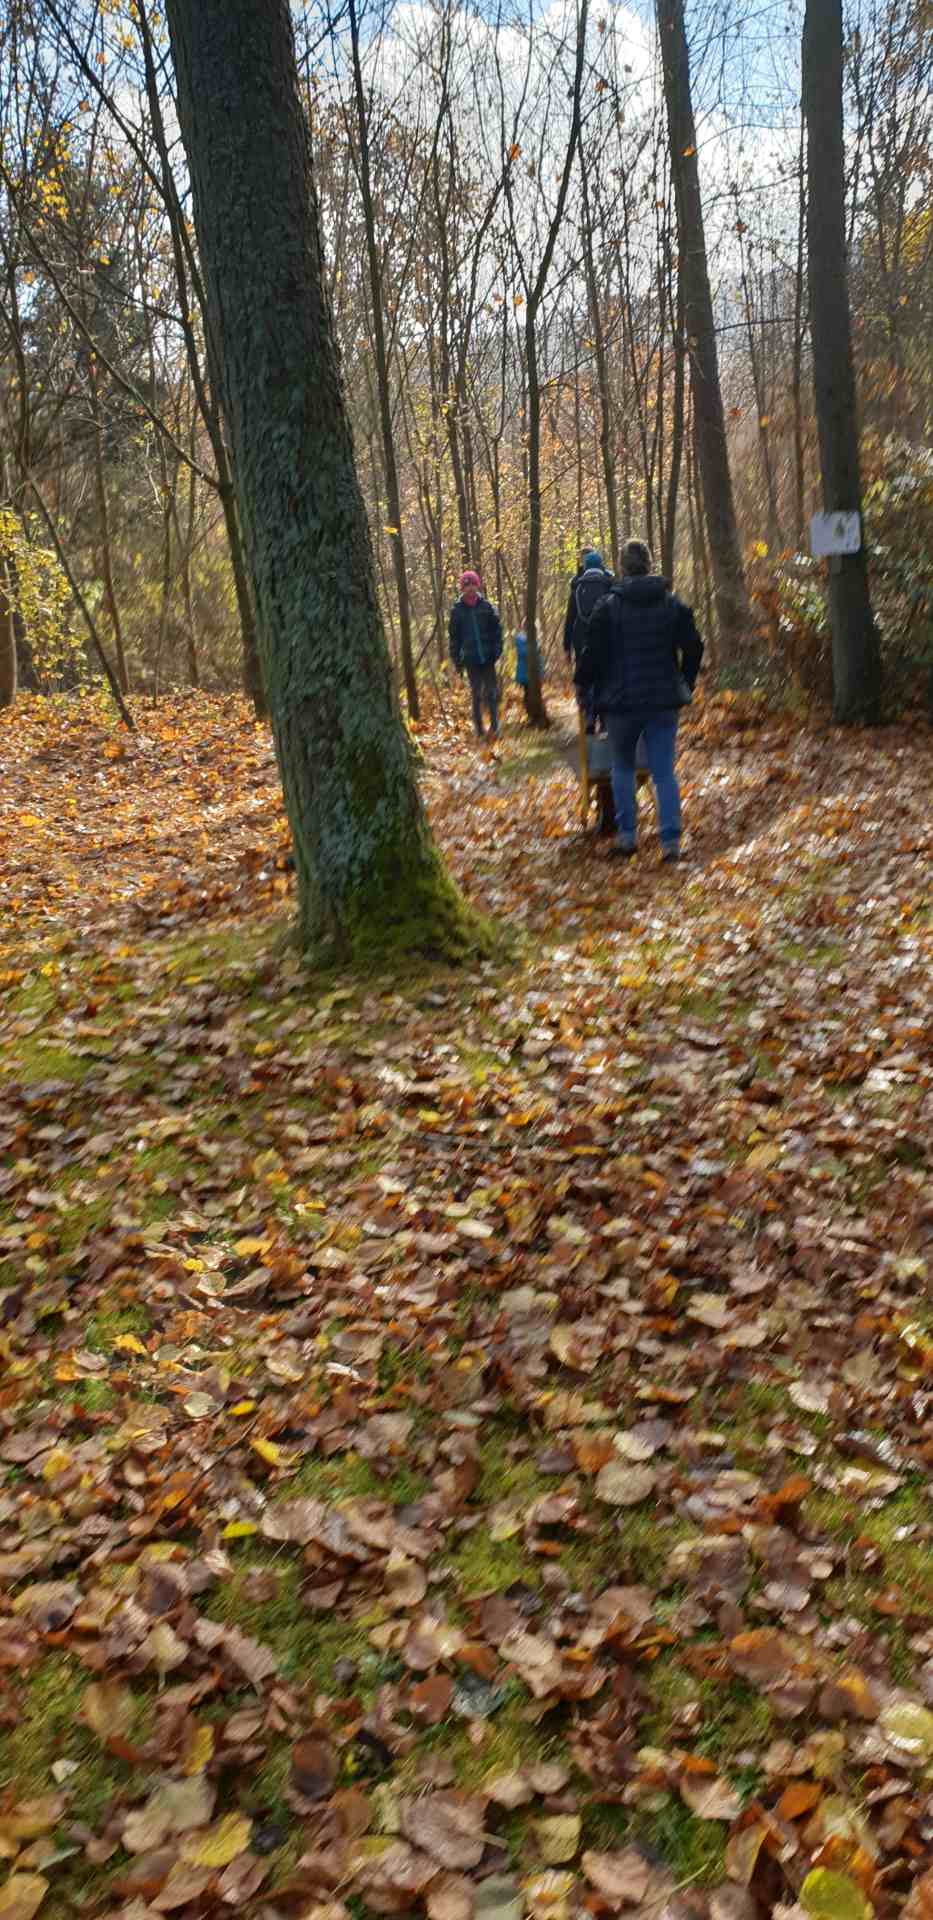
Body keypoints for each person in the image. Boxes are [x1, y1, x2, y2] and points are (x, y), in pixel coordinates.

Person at [574, 538, 703, 863]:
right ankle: (670, 841)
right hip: (662, 701)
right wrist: (684, 681)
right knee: (663, 771)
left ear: (622, 568)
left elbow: (590, 656)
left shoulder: (607, 608)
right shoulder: (671, 605)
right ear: (649, 565)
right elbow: (694, 646)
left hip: (620, 704)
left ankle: (627, 837)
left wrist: (586, 688)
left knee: (622, 767)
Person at [564, 548, 617, 834]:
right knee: (605, 694)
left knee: (586, 689)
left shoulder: (577, 587)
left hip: (583, 648)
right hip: (608, 654)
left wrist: (567, 648)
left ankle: (587, 719)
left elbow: (570, 619)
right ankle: (604, 722)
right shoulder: (611, 584)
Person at [449, 570, 503, 739]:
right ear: (462, 589)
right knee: (476, 694)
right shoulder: (457, 611)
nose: (470, 589)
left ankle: (495, 726)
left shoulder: (486, 607)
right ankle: (479, 729)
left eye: (473, 585)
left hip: (488, 656)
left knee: (491, 693)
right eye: (467, 586)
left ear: (477, 586)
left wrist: (497, 649)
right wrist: (457, 660)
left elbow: (497, 631)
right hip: (470, 659)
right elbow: (454, 638)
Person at [514, 628, 541, 722]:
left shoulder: (533, 639)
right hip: (525, 674)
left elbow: (538, 657)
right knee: (528, 694)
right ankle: (530, 714)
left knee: (533, 693)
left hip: (533, 673)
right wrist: (533, 649)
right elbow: (523, 653)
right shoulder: (520, 638)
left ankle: (535, 714)